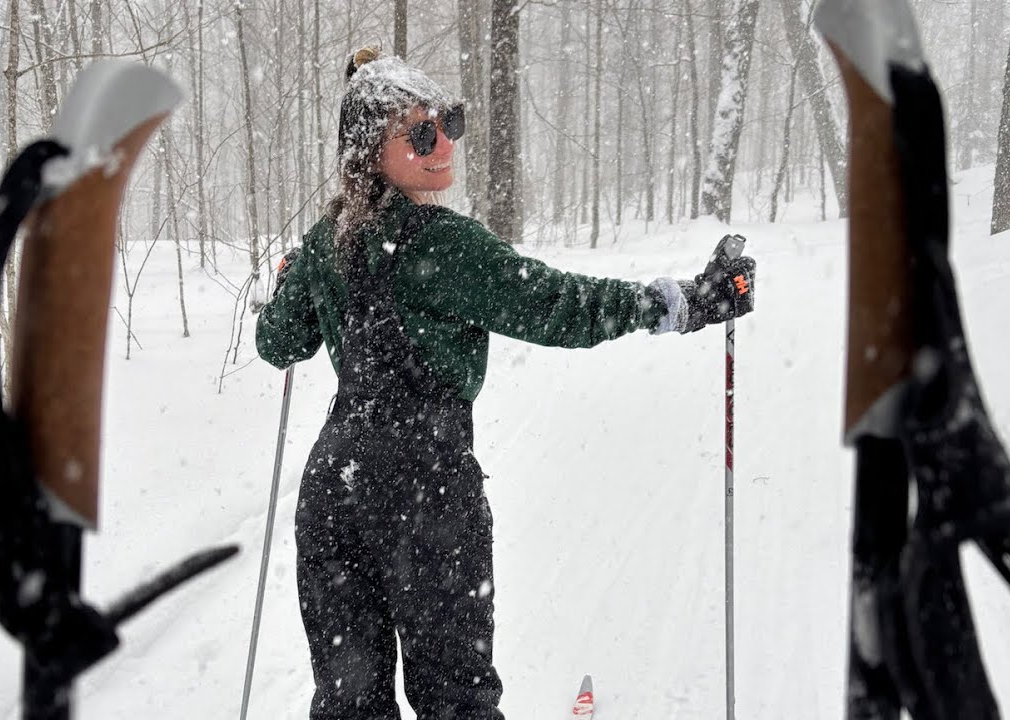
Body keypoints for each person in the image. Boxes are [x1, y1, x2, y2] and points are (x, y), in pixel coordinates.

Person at [255, 46, 756, 720]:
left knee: (349, 702)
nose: (443, 145)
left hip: (335, 499)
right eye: (420, 133)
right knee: (454, 701)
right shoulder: (443, 245)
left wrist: (293, 281)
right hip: (425, 498)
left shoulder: (327, 241)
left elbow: (279, 343)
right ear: (372, 153)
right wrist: (681, 303)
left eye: (447, 123)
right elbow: (557, 304)